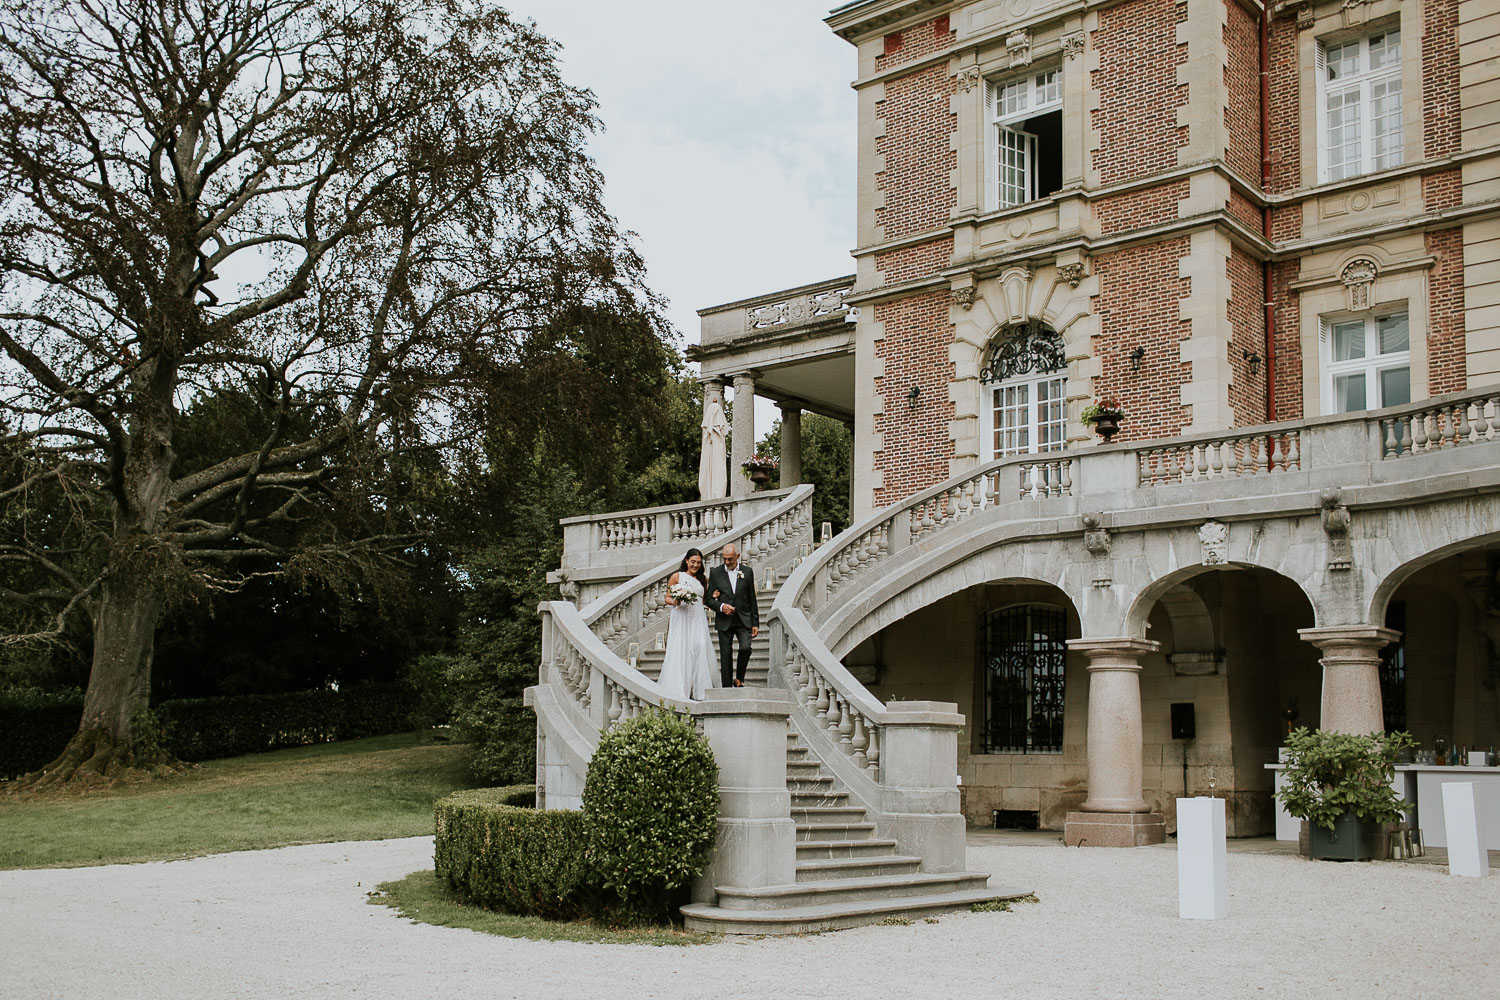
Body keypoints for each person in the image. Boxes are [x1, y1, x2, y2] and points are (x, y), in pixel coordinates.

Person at [657, 548, 717, 700]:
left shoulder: (703, 579)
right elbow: (667, 598)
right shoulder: (677, 577)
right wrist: (676, 600)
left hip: (698, 618)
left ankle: (701, 690)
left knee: (701, 646)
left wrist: (713, 597)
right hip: (682, 617)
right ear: (686, 561)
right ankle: (680, 690)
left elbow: (702, 601)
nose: (695, 565)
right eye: (693, 562)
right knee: (683, 651)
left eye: (698, 562)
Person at [707, 542, 758, 688]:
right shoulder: (716, 573)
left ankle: (739, 678)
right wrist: (722, 607)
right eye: (724, 559)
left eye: (730, 559)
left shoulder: (747, 572)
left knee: (745, 648)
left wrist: (755, 622)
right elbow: (709, 599)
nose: (727, 562)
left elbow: (751, 599)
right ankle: (726, 688)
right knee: (725, 656)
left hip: (744, 619)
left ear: (738, 556)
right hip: (725, 620)